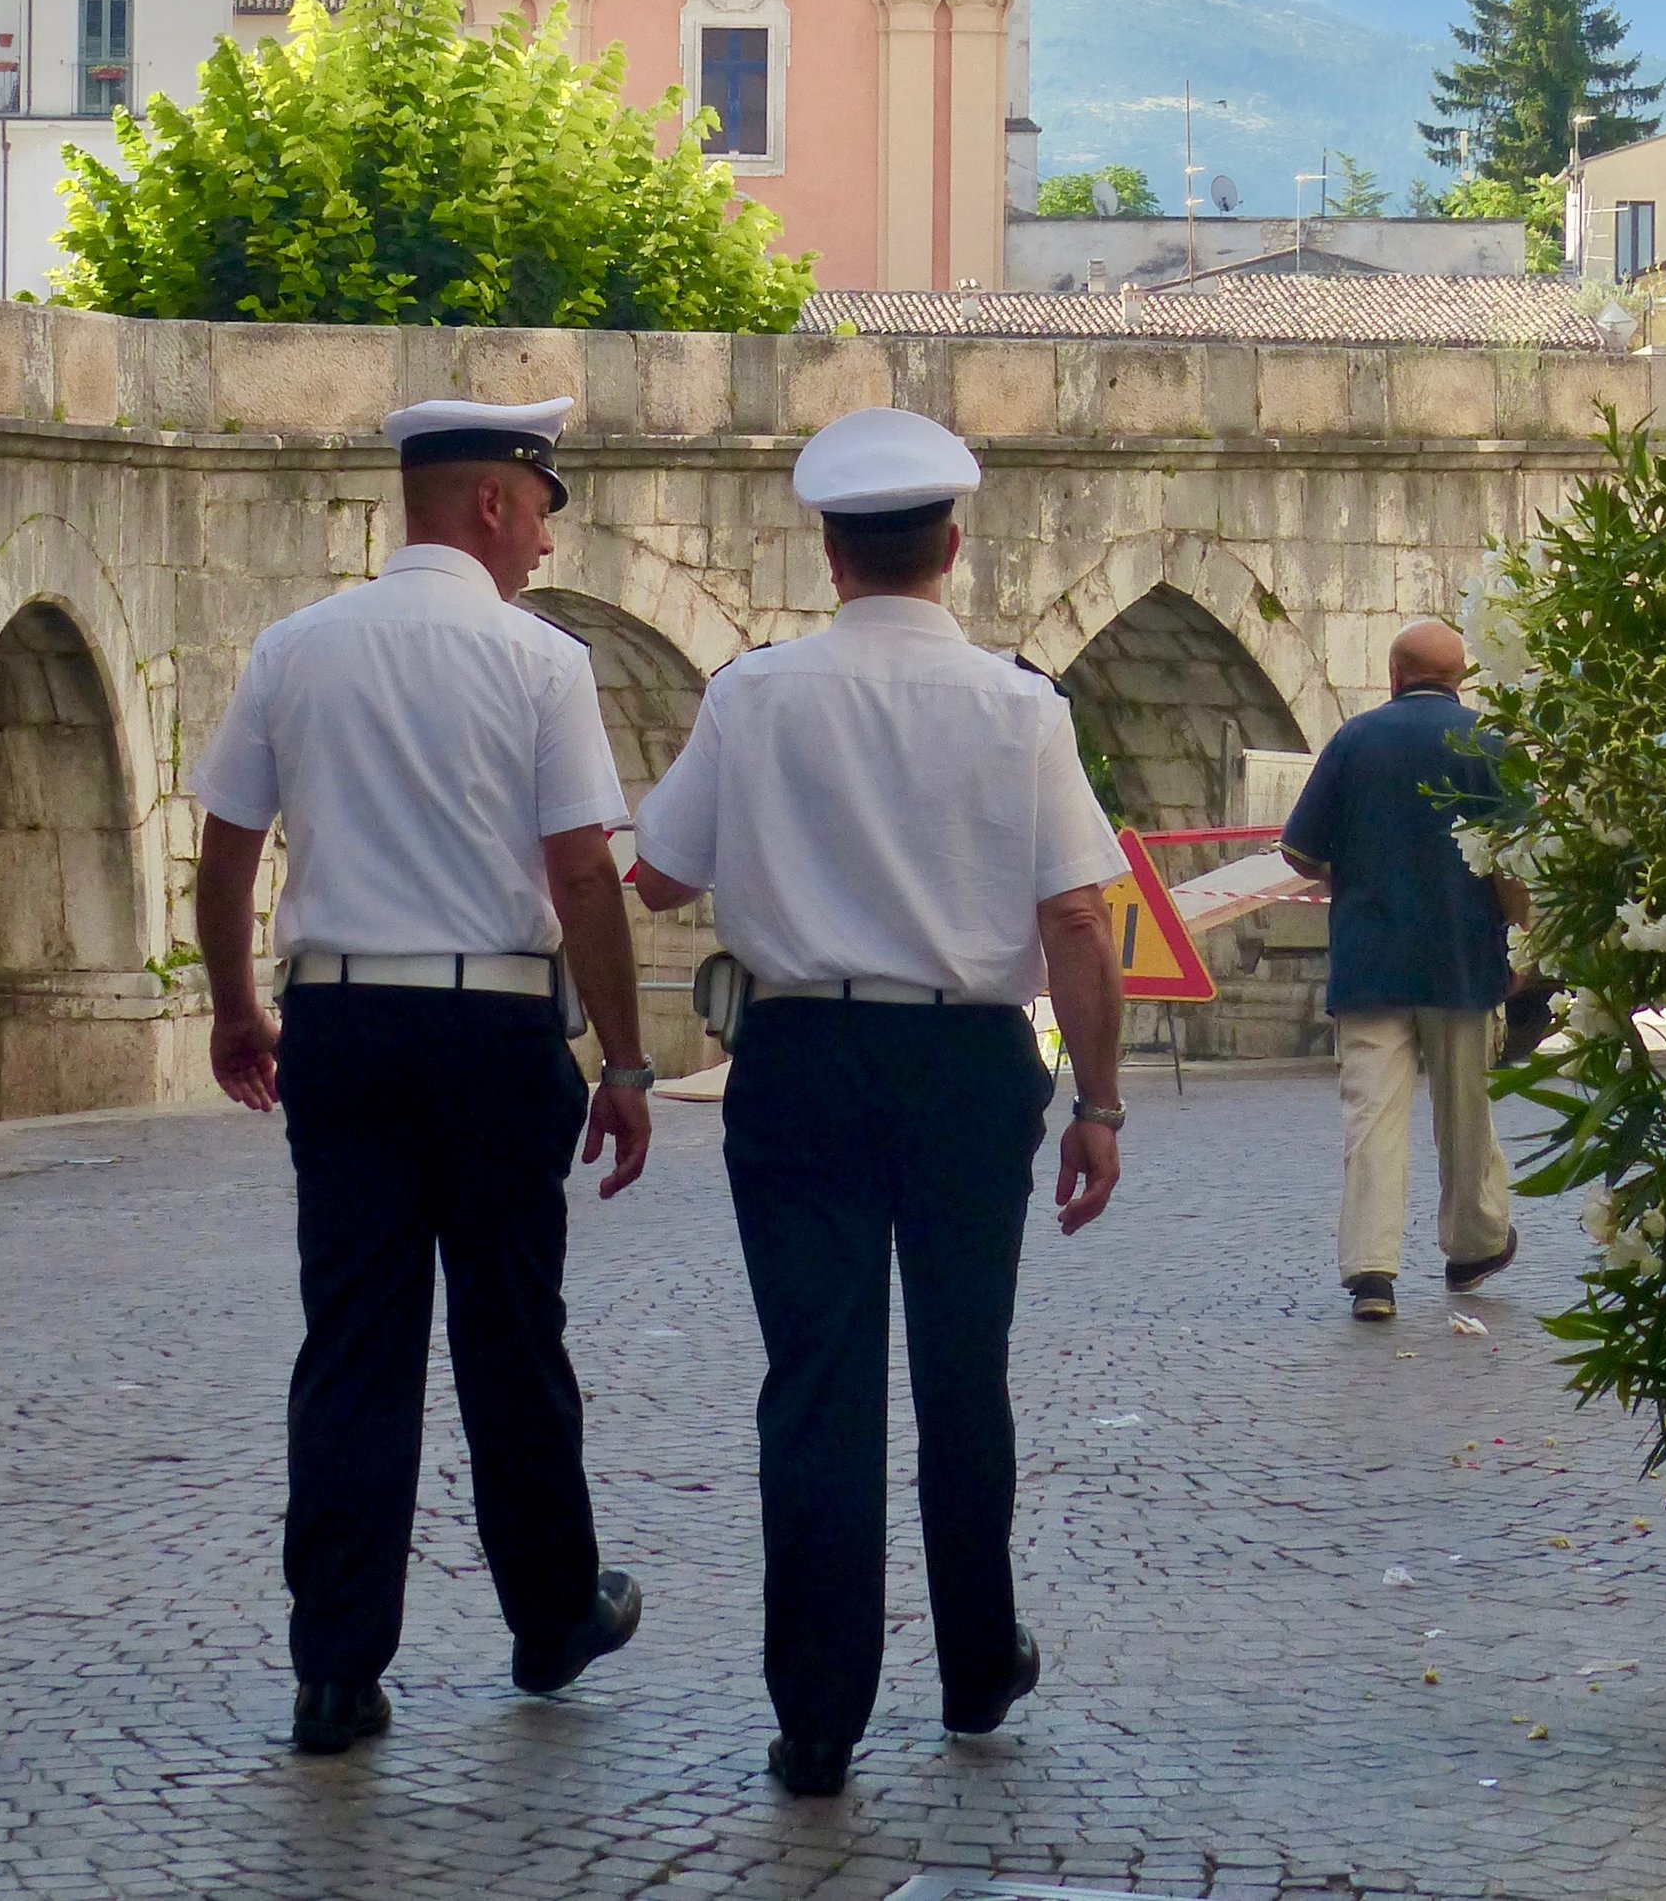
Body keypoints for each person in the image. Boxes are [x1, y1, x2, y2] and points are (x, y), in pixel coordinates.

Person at [630, 405, 1130, 1796]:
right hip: (967, 1063)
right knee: (965, 1375)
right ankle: (978, 1664)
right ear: (952, 548)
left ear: (830, 551)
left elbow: (659, 877)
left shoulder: (754, 693)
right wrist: (1099, 1100)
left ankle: (815, 1714)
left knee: (816, 1386)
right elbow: (1081, 919)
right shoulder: (1022, 704)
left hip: (798, 1061)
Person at [190, 395, 656, 1756]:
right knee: (511, 1332)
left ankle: (336, 1667)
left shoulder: (296, 649)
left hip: (340, 1021)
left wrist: (235, 1007)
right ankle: (552, 1610)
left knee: (353, 1343)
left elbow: (226, 849)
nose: (540, 548)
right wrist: (625, 1056)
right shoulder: (539, 662)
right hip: (495, 1029)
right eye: (539, 516)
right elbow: (581, 870)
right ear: (497, 505)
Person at [1280, 615, 1522, 1324]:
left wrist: (1348, 875)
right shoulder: (1489, 744)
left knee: (1372, 1114)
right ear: (1460, 678)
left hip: (1371, 957)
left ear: (1393, 674)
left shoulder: (1355, 740)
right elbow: (1515, 862)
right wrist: (1520, 945)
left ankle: (1372, 1273)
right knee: (1465, 1110)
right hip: (1462, 953)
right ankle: (1474, 1244)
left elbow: (1299, 848)